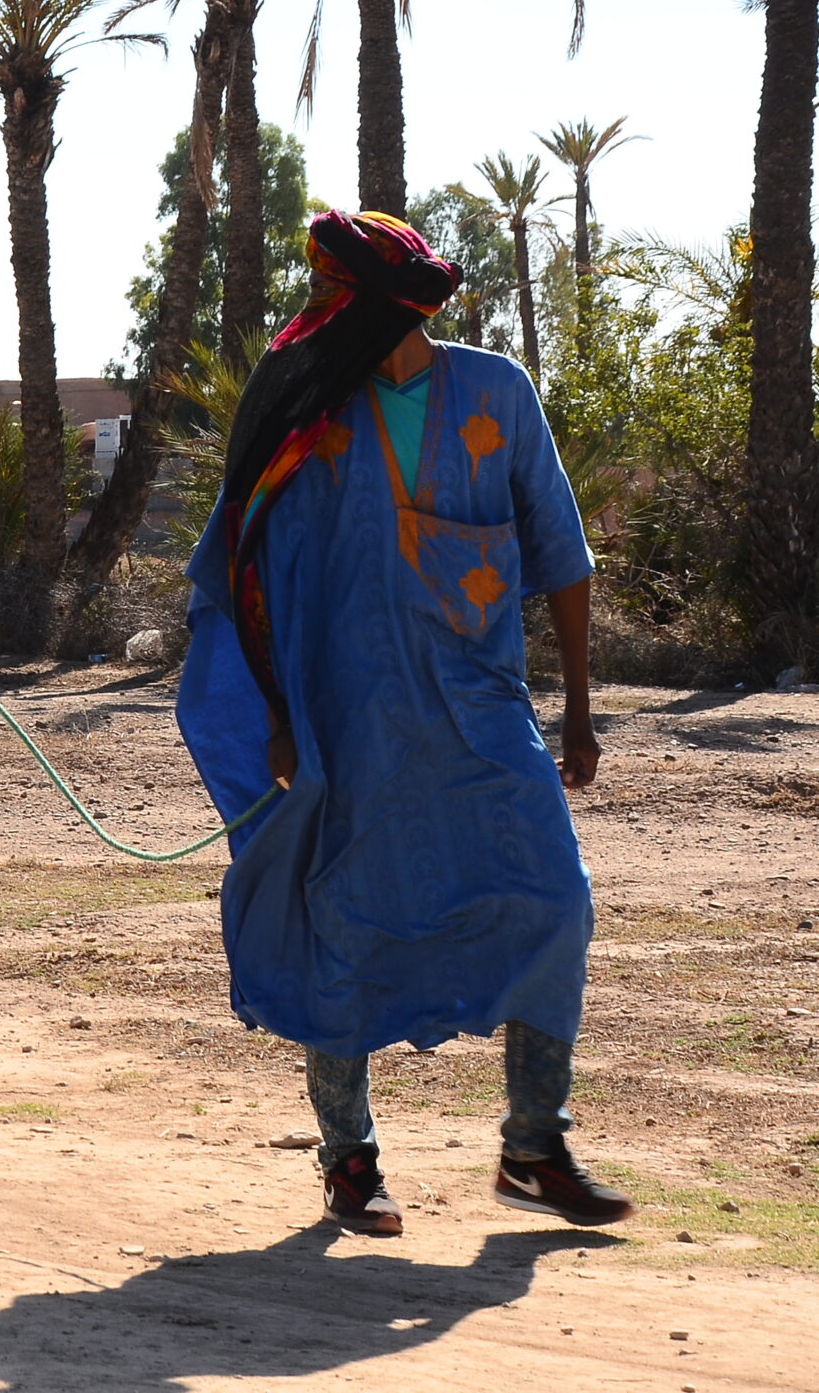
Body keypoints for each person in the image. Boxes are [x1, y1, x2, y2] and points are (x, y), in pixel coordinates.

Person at [176, 209, 632, 1236]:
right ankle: (348, 1160)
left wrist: (578, 711)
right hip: (347, 719)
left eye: (334, 297)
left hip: (481, 713)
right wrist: (280, 722)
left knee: (552, 901)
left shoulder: (495, 393)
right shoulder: (309, 414)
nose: (316, 317)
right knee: (343, 924)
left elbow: (558, 551)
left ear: (381, 300)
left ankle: (533, 1146)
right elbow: (247, 573)